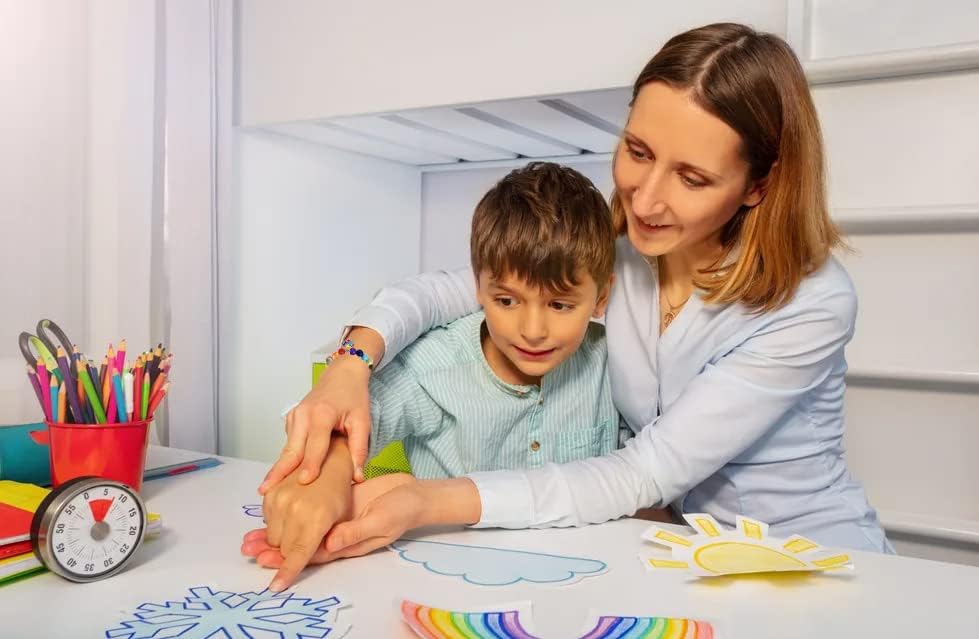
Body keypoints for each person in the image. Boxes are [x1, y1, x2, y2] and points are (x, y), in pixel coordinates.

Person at [255, 22, 893, 575]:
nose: (644, 200)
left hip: (809, 556)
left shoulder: (812, 302)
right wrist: (349, 367)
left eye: (693, 178)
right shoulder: (619, 259)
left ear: (759, 185)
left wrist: (425, 500)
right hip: (684, 553)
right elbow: (445, 290)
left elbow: (643, 472)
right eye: (637, 152)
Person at [246, 162, 629, 591]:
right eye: (506, 300)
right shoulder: (436, 365)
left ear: (602, 297)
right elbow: (346, 416)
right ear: (478, 290)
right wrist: (330, 476)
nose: (533, 330)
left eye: (560, 305)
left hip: (586, 584)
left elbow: (640, 476)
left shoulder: (613, 364)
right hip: (445, 584)